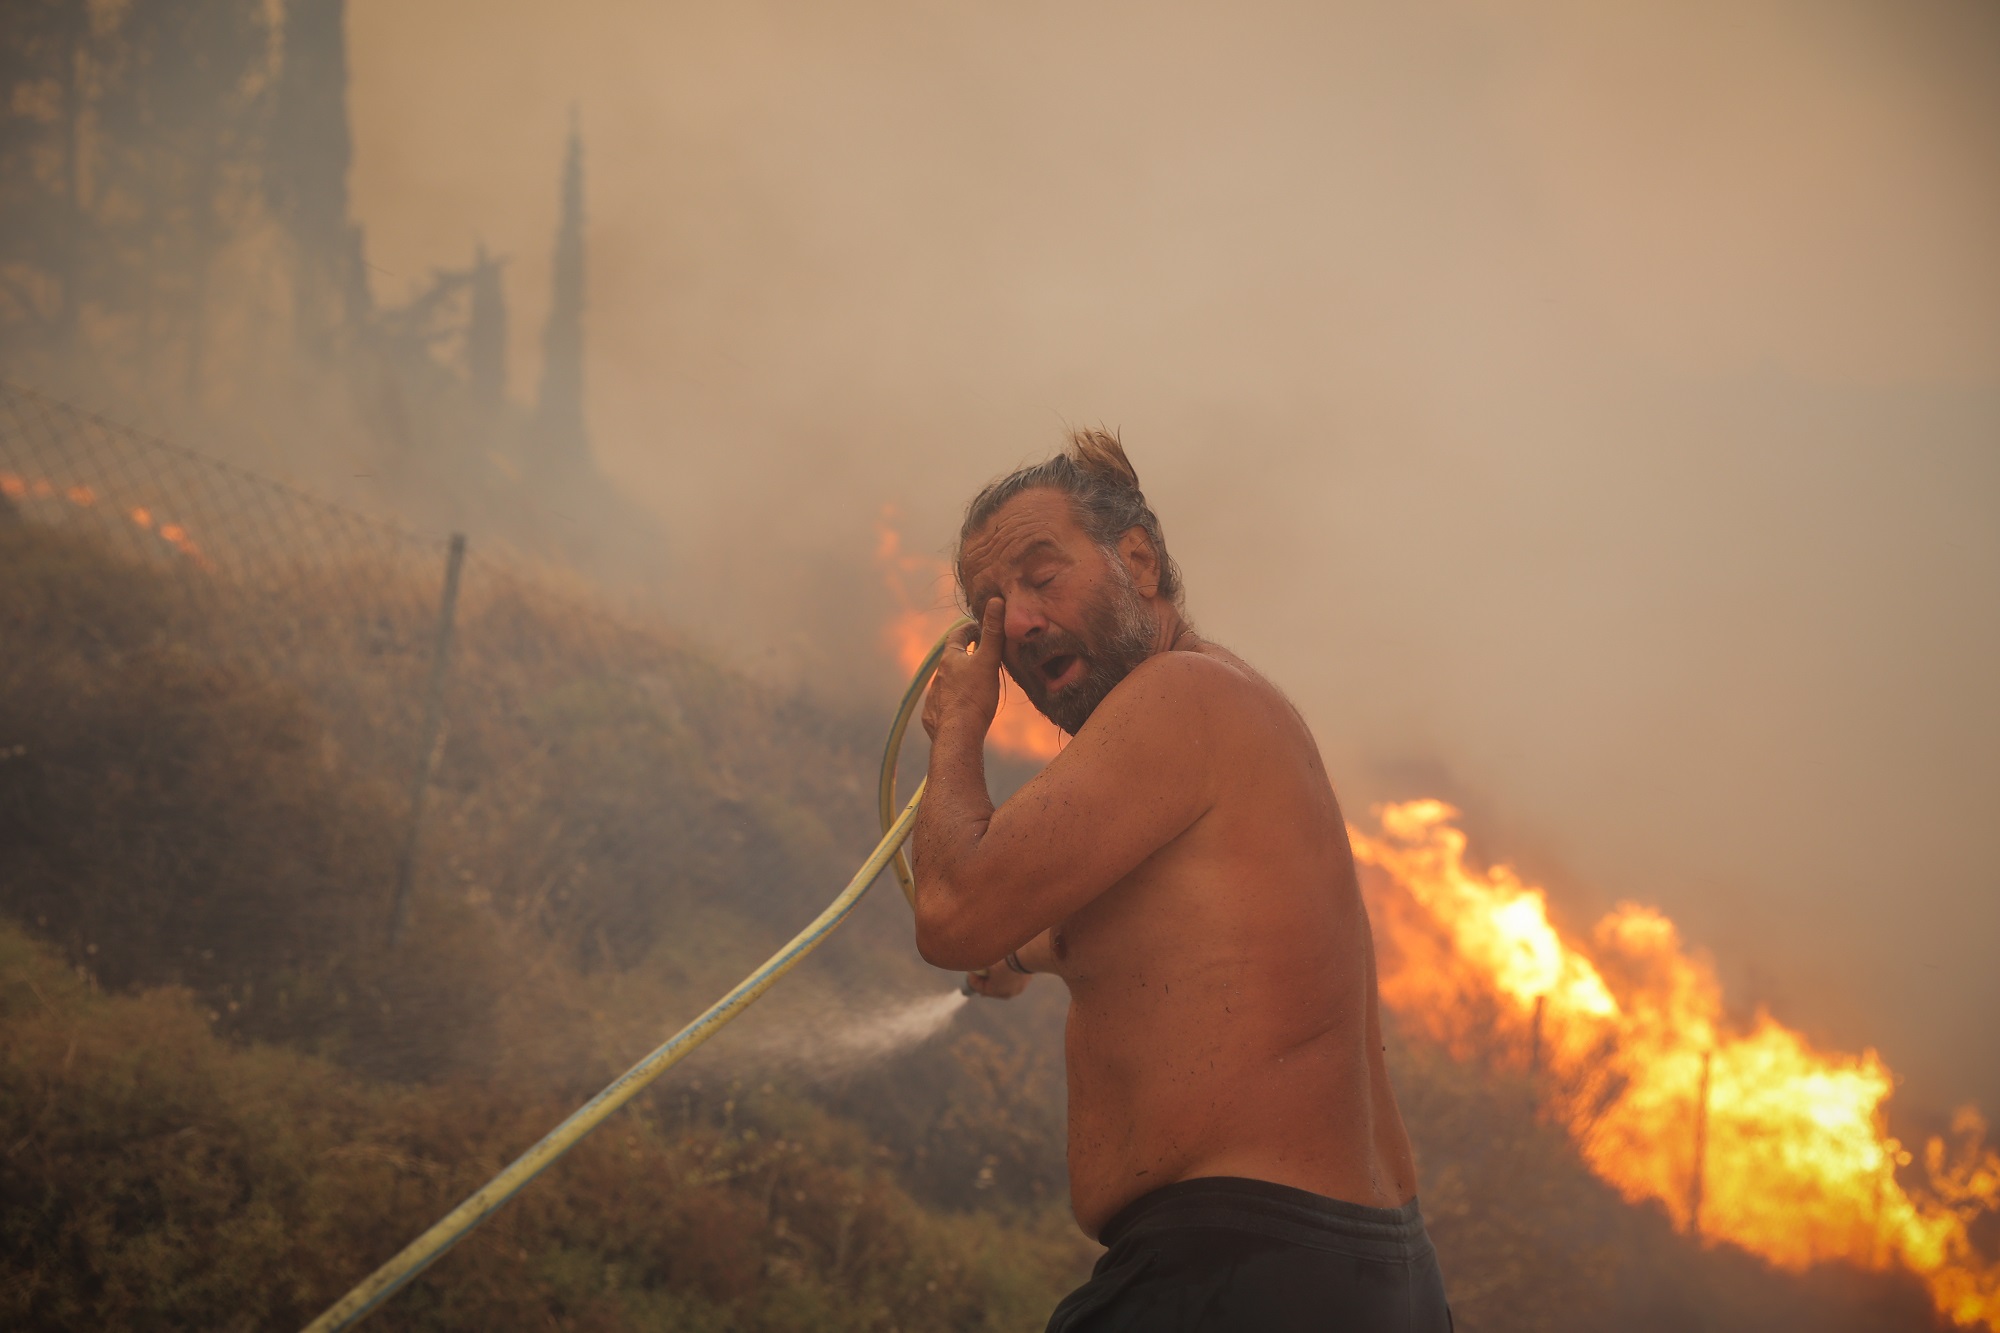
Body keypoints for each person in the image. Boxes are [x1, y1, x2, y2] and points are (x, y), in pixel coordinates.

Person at [912, 430, 1452, 1332]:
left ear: (1139, 560)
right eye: (994, 607)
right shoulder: (1223, 713)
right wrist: (1026, 950)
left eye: (1043, 578)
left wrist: (960, 726)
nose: (1023, 622)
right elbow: (1111, 925)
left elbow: (953, 912)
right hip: (1357, 1278)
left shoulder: (1180, 697)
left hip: (1244, 1271)